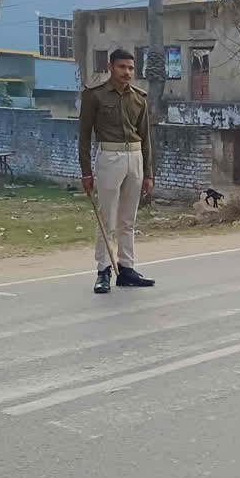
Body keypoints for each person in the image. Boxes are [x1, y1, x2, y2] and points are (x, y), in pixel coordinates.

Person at [78, 49, 155, 294]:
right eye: (122, 67)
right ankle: (103, 270)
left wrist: (149, 173)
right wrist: (86, 172)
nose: (127, 72)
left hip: (135, 157)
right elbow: (83, 136)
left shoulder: (139, 98)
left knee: (128, 219)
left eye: (131, 68)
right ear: (110, 67)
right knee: (107, 218)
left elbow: (146, 138)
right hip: (109, 157)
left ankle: (127, 268)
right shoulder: (95, 96)